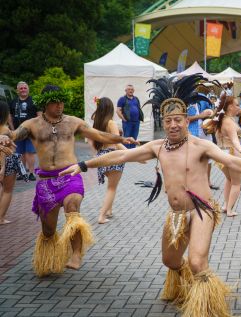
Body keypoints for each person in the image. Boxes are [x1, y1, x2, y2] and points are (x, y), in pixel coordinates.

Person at [59, 74, 241, 316]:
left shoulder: (201, 146)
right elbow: (120, 155)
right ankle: (185, 284)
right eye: (168, 121)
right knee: (170, 261)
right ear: (163, 123)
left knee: (197, 262)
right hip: (175, 214)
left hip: (202, 210)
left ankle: (207, 305)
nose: (173, 125)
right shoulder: (157, 147)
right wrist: (84, 165)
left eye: (178, 120)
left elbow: (232, 161)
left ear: (187, 121)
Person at [0, 85, 138, 277]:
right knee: (48, 230)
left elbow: (98, 134)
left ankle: (76, 254)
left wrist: (122, 139)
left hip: (70, 175)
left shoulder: (73, 122)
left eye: (62, 102)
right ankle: (49, 258)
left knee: (72, 208)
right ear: (46, 103)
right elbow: (14, 135)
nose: (60, 106)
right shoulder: (32, 124)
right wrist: (4, 138)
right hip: (46, 181)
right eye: (56, 102)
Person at [211, 94, 241, 216]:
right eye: (237, 105)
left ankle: (225, 206)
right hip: (233, 153)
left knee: (229, 180)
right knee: (236, 183)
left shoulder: (221, 119)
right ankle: (229, 210)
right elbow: (234, 139)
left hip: (222, 153)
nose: (239, 107)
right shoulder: (228, 122)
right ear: (229, 107)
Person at [90, 97, 128, 224]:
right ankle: (101, 216)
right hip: (113, 156)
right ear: (110, 109)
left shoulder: (97, 123)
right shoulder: (111, 123)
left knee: (110, 186)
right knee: (112, 188)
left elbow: (93, 143)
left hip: (102, 157)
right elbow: (117, 142)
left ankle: (109, 210)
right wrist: (132, 154)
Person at [186, 88, 218, 190]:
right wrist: (201, 116)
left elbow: (211, 110)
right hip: (191, 133)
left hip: (206, 131)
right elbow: (184, 119)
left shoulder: (202, 97)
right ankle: (192, 183)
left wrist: (211, 113)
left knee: (208, 158)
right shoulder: (183, 99)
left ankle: (207, 182)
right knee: (192, 159)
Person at [9, 81, 40, 181]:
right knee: (20, 152)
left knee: (30, 152)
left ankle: (31, 173)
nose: (23, 90)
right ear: (17, 90)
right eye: (21, 88)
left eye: (25, 88)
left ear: (28, 89)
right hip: (18, 131)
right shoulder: (13, 101)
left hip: (31, 131)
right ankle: (22, 172)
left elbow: (39, 115)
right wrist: (12, 129)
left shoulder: (34, 101)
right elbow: (10, 116)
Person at [0, 100, 24, 225]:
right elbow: (5, 150)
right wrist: (3, 168)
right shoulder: (5, 129)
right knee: (7, 190)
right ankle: (1, 217)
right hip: (6, 161)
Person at [116, 84, 143, 149]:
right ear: (126, 90)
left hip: (136, 122)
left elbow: (138, 108)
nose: (131, 91)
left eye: (132, 89)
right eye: (129, 89)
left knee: (134, 137)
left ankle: (132, 151)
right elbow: (118, 110)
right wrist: (123, 118)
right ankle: (126, 151)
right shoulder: (122, 99)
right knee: (127, 137)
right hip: (127, 122)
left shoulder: (136, 98)